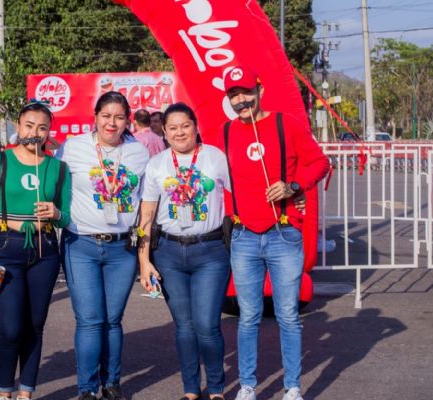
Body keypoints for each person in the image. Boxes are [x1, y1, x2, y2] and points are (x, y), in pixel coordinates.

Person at [220, 67, 330, 400]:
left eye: (246, 92)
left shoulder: (286, 124)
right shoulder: (225, 132)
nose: (241, 101)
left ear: (260, 89)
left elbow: (320, 162)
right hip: (243, 237)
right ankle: (248, 385)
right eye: (233, 96)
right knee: (249, 316)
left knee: (287, 316)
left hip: (283, 235)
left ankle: (293, 386)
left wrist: (294, 186)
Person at [0, 101, 72, 400]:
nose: (35, 133)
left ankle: (26, 392)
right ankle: (4, 391)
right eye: (29, 125)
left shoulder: (58, 167)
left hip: (45, 250)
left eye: (42, 127)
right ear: (18, 125)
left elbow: (67, 216)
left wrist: (56, 213)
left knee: (34, 325)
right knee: (11, 329)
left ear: (49, 131)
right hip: (5, 248)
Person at [57, 91, 150, 400]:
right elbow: (50, 180)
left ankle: (111, 384)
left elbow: (147, 204)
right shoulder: (74, 148)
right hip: (81, 244)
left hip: (122, 249)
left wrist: (143, 250)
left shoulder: (138, 152)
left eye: (119, 117)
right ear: (94, 117)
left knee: (112, 320)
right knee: (89, 319)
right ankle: (86, 389)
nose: (112, 123)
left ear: (128, 120)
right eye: (106, 116)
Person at [137, 103, 231, 400]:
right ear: (163, 131)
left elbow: (244, 193)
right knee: (184, 326)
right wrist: (143, 261)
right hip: (169, 253)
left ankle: (216, 388)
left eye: (185, 125)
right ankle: (191, 389)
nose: (180, 132)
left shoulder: (216, 158)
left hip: (211, 251)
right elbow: (146, 216)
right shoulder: (158, 164)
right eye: (172, 127)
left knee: (206, 324)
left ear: (195, 125)